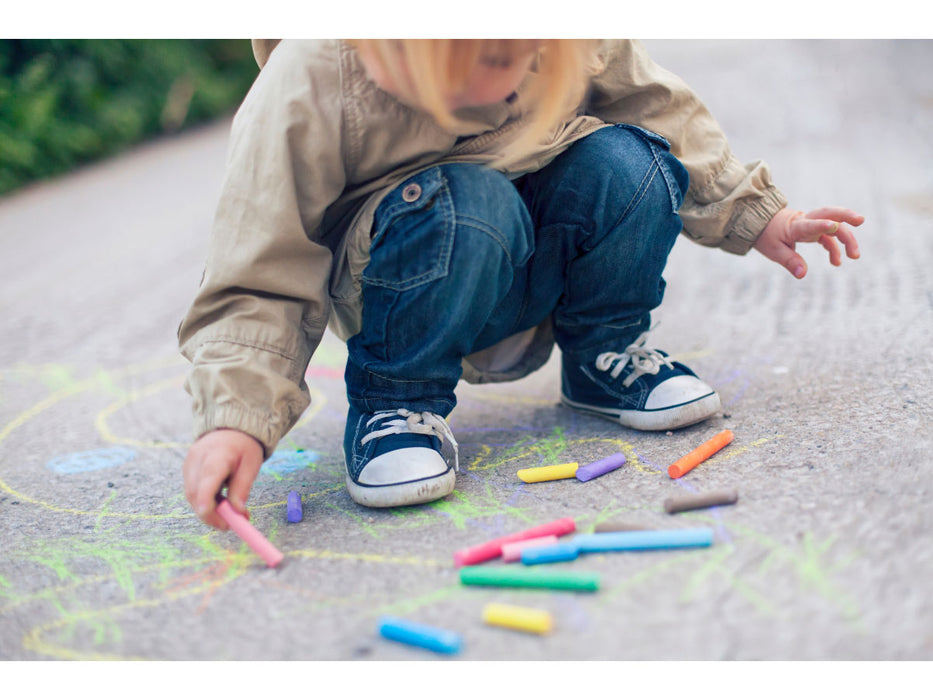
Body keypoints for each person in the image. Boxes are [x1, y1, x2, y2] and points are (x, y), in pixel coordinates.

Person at [180, 39, 863, 530]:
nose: (486, 87)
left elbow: (661, 109)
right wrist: (237, 421)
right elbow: (259, 264)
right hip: (408, 278)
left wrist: (753, 211)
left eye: (507, 60)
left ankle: (605, 353)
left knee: (630, 159)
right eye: (452, 68)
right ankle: (396, 404)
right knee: (469, 201)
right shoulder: (314, 71)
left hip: (534, 253)